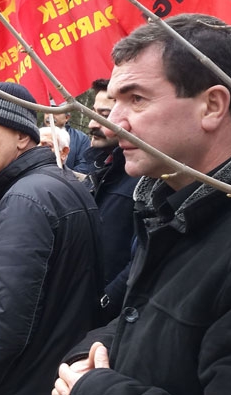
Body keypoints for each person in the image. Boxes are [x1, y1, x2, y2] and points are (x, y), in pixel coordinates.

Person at [53, 13, 231, 395]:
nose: (113, 122)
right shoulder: (165, 209)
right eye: (115, 101)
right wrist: (85, 357)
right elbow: (142, 318)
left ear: (212, 106)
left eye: (136, 99)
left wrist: (96, 388)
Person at [0, 82, 104, 394]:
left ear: (22, 136)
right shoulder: (52, 186)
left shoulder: (27, 198)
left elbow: (3, 319)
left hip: (21, 380)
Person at [82, 79, 139, 322]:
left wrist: (103, 303)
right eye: (95, 113)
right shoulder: (102, 167)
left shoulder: (144, 179)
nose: (93, 124)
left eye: (104, 115)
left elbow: (140, 257)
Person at [45, 102, 92, 173]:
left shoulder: (81, 139)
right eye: (47, 112)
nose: (50, 116)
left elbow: (84, 167)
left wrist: (63, 176)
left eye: (55, 112)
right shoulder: (36, 135)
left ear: (67, 118)